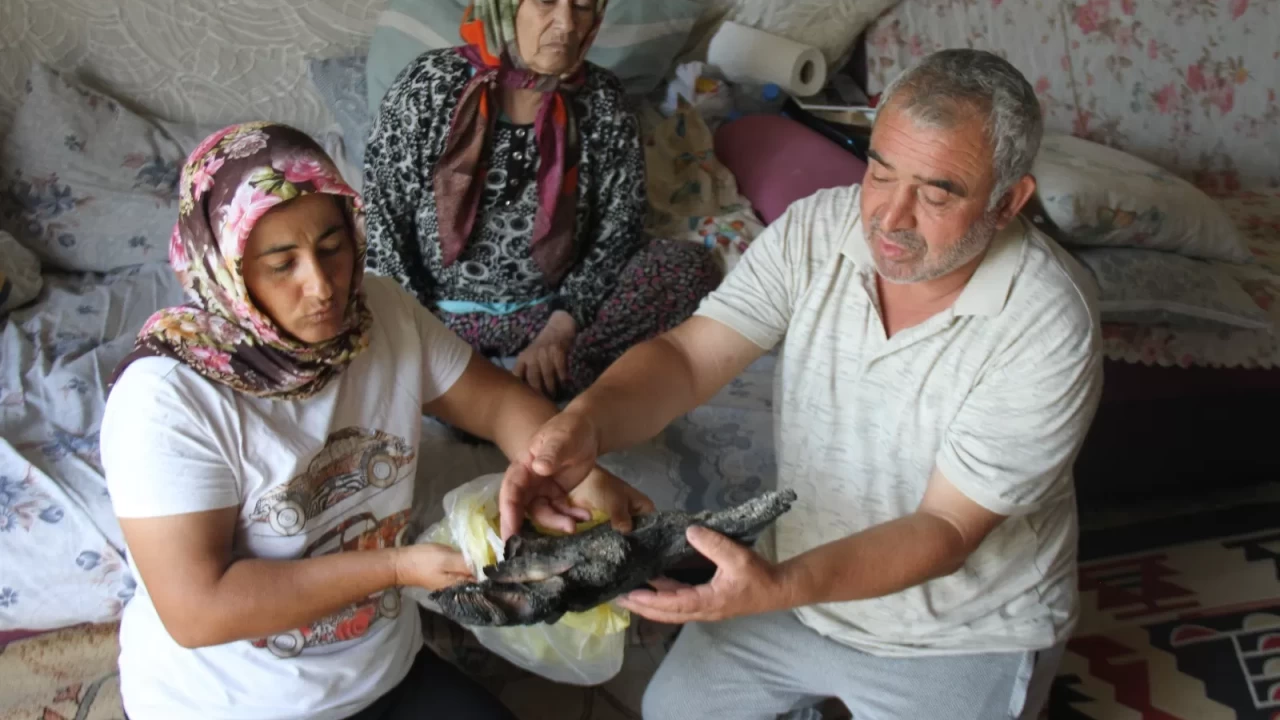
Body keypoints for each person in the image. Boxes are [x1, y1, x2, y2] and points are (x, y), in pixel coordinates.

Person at [499, 49, 1105, 719]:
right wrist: (583, 424)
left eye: (935, 195)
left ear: (1009, 201)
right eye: (880, 172)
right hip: (795, 592)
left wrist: (777, 585)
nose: (890, 218)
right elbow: (689, 358)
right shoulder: (820, 228)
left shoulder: (1047, 320)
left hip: (959, 632)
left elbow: (946, 528)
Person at [100, 122, 651, 720]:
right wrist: (395, 568)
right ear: (224, 268)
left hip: (381, 671)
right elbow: (198, 610)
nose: (322, 287)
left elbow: (496, 404)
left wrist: (576, 472)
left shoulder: (381, 314)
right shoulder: (167, 399)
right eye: (282, 264)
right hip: (228, 705)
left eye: (332, 247)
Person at [363, 0, 721, 400]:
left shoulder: (603, 100)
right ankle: (488, 386)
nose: (566, 23)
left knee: (689, 268)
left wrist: (559, 330)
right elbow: (384, 226)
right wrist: (423, 336)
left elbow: (619, 229)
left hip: (554, 315)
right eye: (546, 1)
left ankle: (538, 375)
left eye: (582, 5)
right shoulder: (427, 86)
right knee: (349, 301)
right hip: (441, 318)